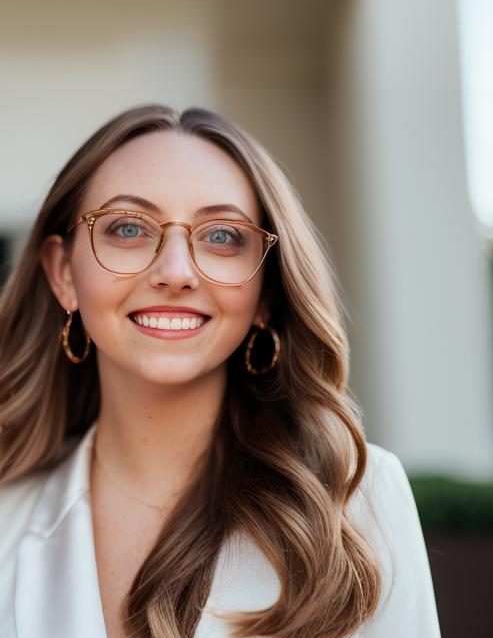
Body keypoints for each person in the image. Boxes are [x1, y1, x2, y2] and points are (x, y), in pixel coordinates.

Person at [0, 105, 441, 638]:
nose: (176, 272)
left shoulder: (359, 503)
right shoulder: (7, 517)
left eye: (223, 236)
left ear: (265, 292)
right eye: (128, 227)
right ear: (63, 273)